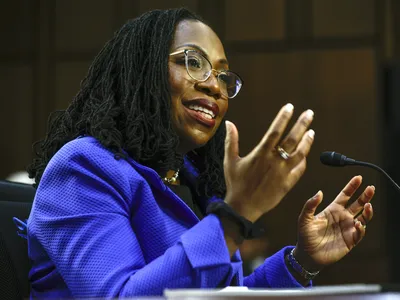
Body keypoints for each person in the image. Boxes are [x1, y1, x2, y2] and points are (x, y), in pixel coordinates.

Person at [26, 8, 375, 298]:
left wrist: (301, 262)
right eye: (193, 62)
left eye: (223, 75)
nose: (213, 85)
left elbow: (224, 295)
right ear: (143, 71)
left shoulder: (194, 181)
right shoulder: (83, 169)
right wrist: (236, 216)